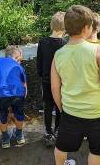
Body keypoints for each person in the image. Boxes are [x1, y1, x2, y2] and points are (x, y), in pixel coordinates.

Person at [51, 5, 100, 165]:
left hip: (71, 112)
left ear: (66, 28)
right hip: (98, 113)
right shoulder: (98, 51)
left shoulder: (58, 54)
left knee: (61, 146)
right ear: (87, 27)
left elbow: (54, 87)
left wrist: (62, 108)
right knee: (96, 150)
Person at [37, 11, 66, 146]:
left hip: (47, 81)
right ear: (65, 27)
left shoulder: (42, 42)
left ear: (51, 25)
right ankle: (59, 130)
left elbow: (39, 63)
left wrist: (41, 76)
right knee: (60, 106)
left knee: (48, 107)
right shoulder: (65, 44)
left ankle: (48, 133)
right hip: (62, 82)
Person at [0, 45, 27, 149]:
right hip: (17, 92)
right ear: (17, 56)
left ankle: (5, 139)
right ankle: (19, 136)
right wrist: (24, 93)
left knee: (2, 114)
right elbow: (24, 83)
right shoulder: (19, 66)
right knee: (19, 113)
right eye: (19, 59)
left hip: (0, 93)